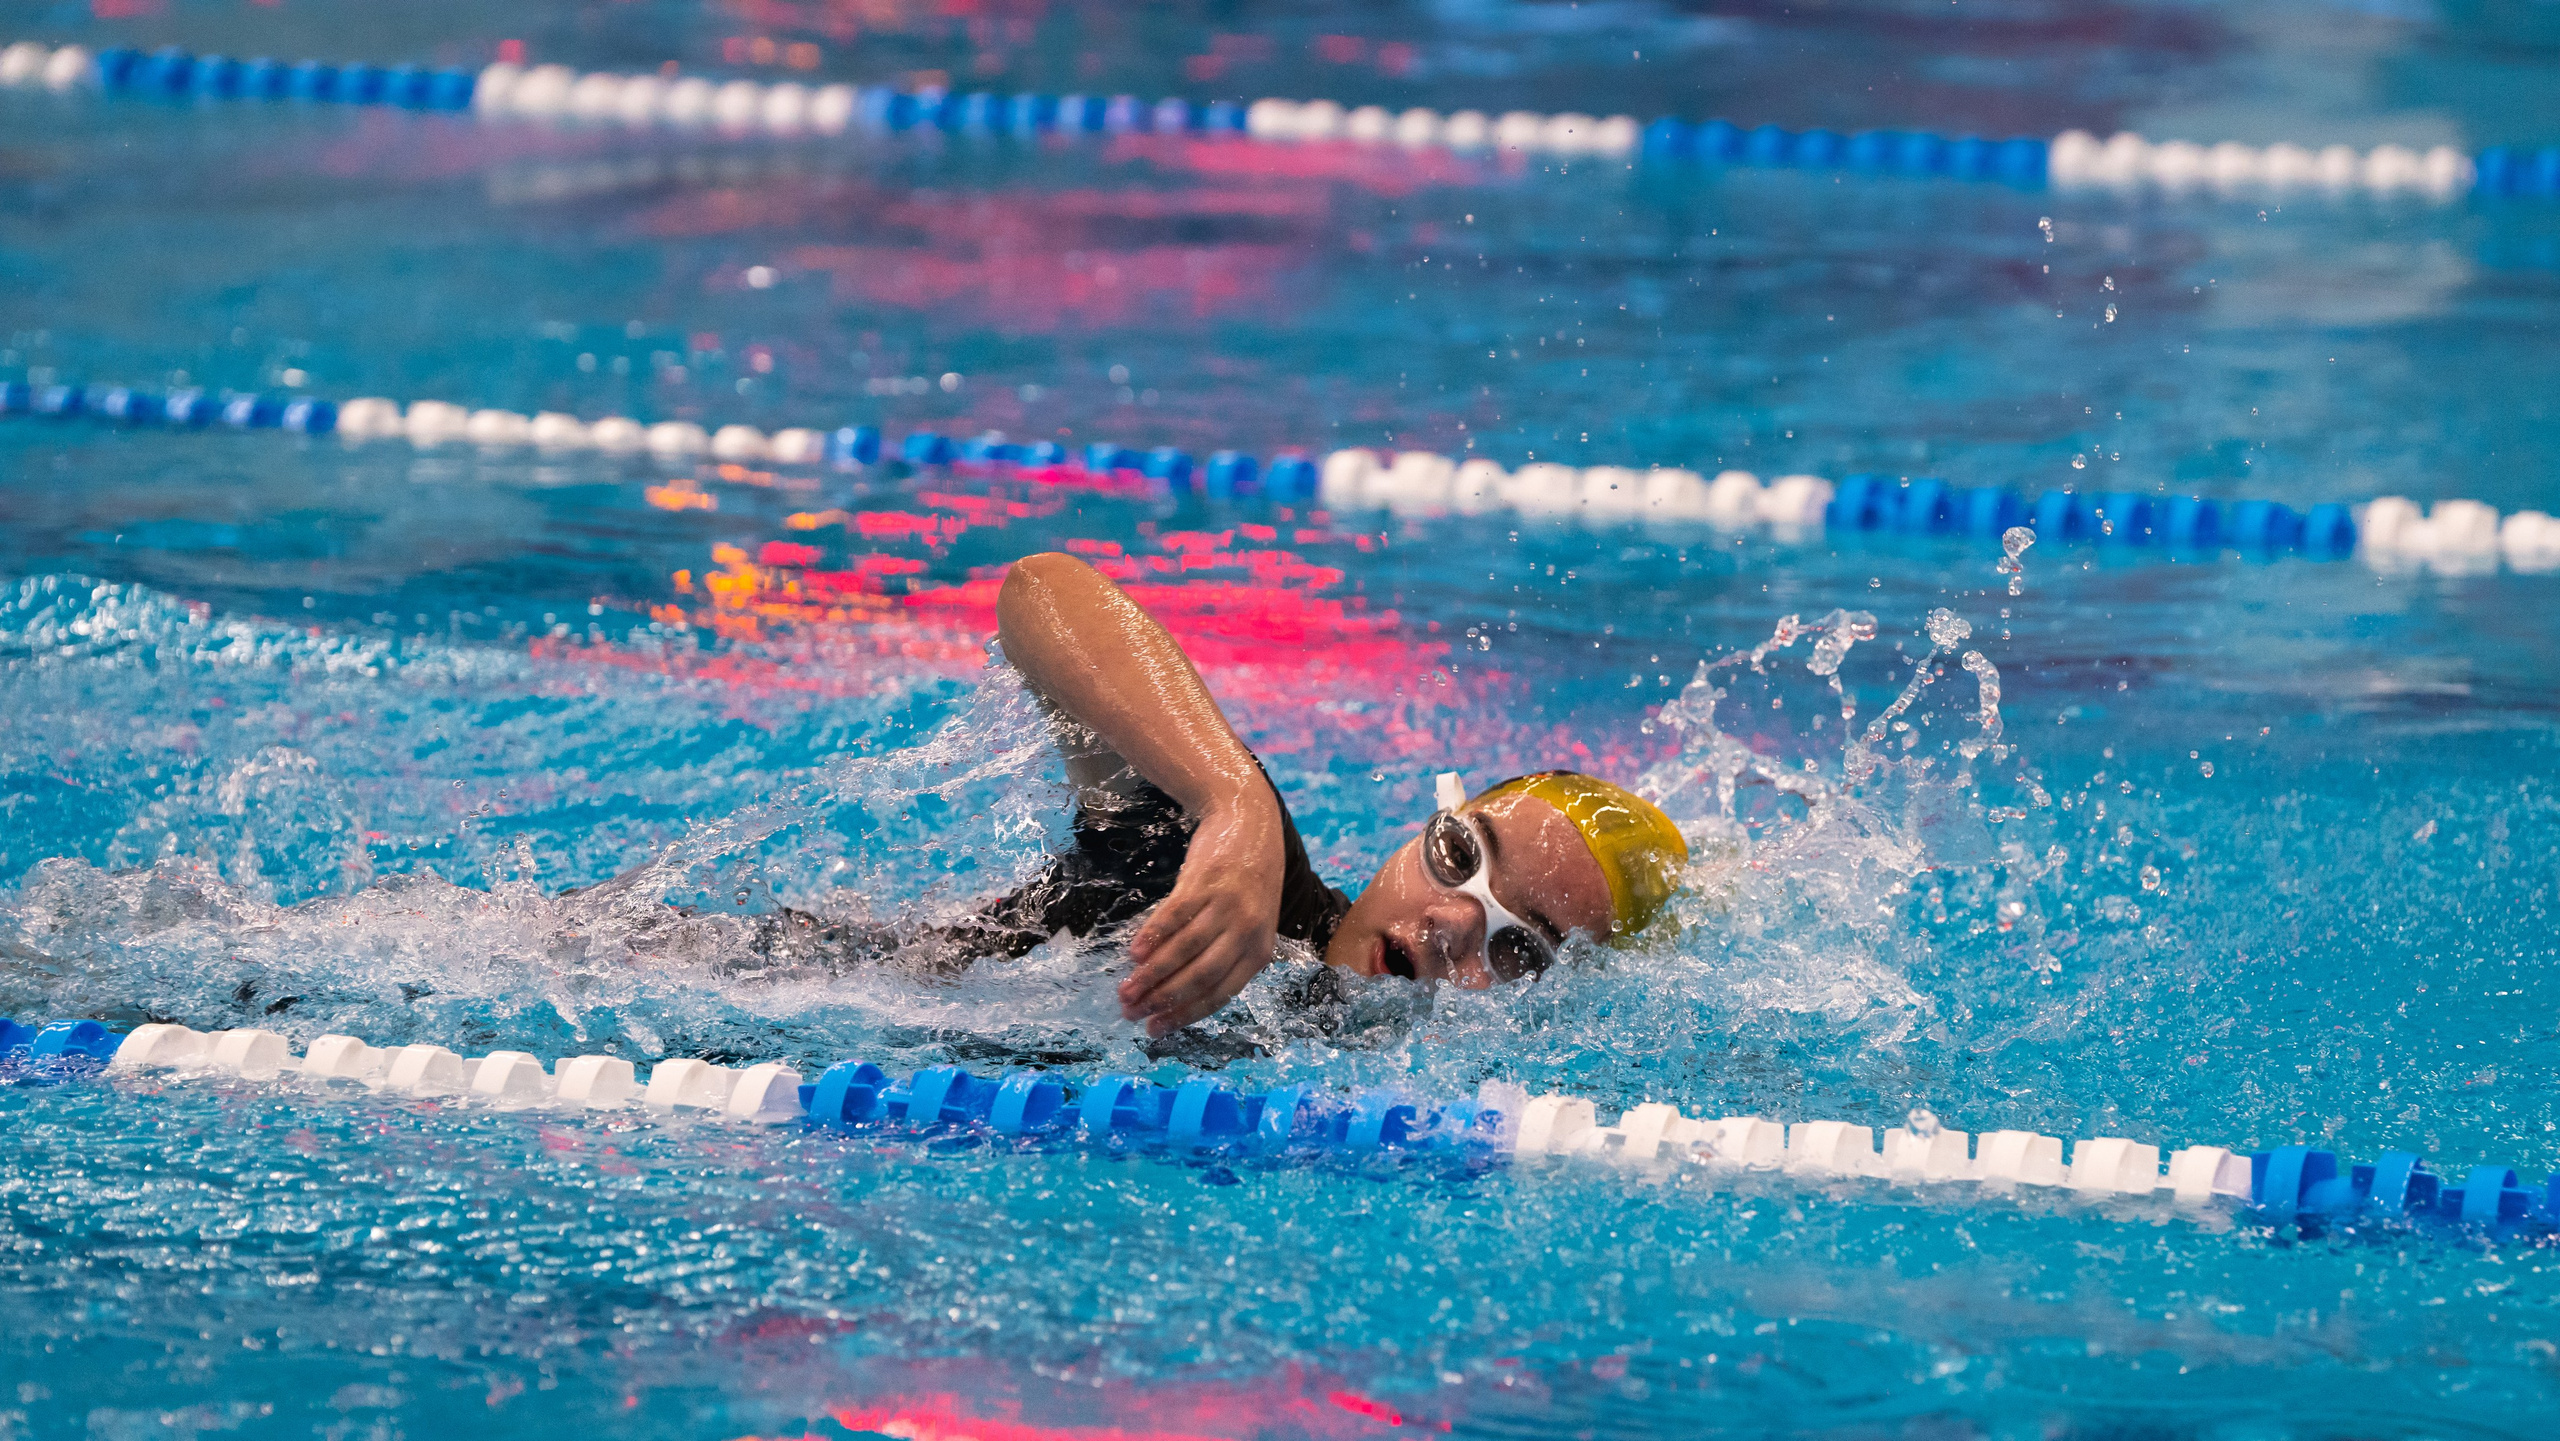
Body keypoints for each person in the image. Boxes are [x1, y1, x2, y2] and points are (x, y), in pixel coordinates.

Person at [900, 551, 1694, 1038]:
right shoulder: (1243, 885)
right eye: (1459, 854)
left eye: (1518, 947)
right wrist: (1231, 801)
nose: (1452, 921)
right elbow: (1040, 589)